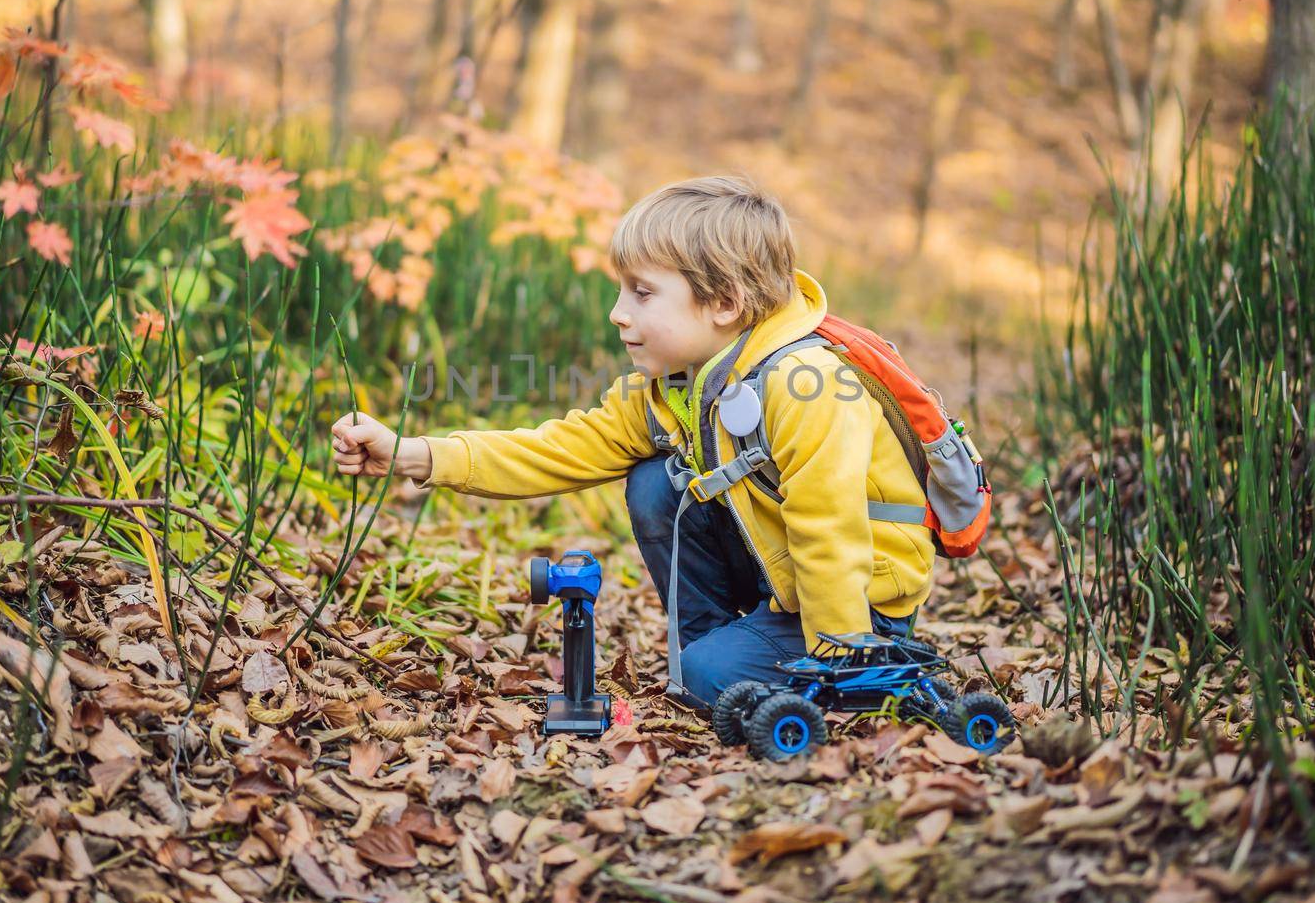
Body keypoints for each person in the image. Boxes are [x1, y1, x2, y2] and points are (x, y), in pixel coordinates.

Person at [330, 175, 934, 708]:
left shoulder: (807, 385)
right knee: (654, 481)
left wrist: (840, 658)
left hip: (860, 602)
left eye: (642, 293)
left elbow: (828, 524)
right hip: (786, 581)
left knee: (710, 675)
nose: (618, 313)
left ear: (725, 302)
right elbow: (558, 449)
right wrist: (412, 453)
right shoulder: (677, 387)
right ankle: (713, 651)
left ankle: (758, 665)